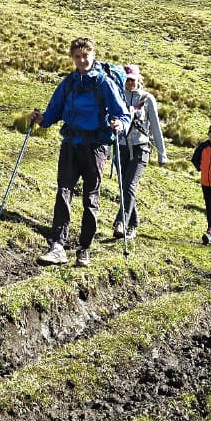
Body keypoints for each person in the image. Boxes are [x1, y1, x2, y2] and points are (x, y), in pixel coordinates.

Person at [31, 38, 131, 267]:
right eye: (77, 57)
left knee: (90, 197)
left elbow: (123, 114)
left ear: (93, 55)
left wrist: (120, 125)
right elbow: (53, 112)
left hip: (96, 147)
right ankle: (58, 246)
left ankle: (84, 249)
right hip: (71, 143)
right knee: (63, 191)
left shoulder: (104, 83)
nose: (82, 60)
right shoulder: (69, 83)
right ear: (72, 58)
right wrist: (41, 119)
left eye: (85, 56)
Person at [112, 64, 168, 240]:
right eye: (127, 79)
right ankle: (133, 224)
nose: (129, 83)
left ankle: (121, 222)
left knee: (129, 185)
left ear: (138, 80)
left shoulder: (147, 99)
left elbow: (156, 128)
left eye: (132, 80)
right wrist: (106, 149)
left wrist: (162, 153)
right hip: (120, 147)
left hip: (141, 148)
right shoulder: (117, 96)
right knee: (125, 188)